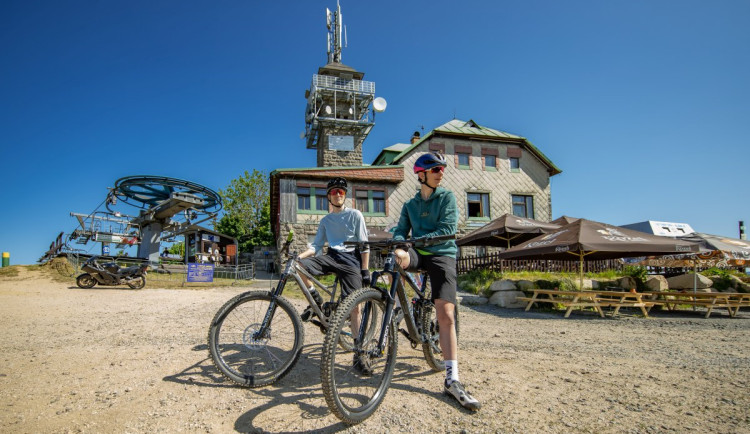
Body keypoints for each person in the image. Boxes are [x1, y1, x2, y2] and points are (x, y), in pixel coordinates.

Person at [392, 151, 481, 411]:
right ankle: (394, 307)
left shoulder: (447, 197)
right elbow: (400, 229)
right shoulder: (410, 205)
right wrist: (400, 245)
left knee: (446, 313)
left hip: (442, 253)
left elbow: (445, 230)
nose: (441, 173)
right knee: (394, 261)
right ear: (421, 174)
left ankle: (452, 379)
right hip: (419, 252)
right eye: (435, 169)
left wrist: (412, 242)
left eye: (442, 169)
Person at [296, 177, 372, 373]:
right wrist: (297, 257)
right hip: (332, 256)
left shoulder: (355, 215)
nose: (338, 194)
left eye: (341, 192)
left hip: (351, 260)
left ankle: (359, 351)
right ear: (328, 196)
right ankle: (316, 300)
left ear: (345, 195)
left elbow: (364, 243)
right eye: (334, 192)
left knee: (355, 307)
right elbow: (316, 246)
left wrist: (364, 270)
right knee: (299, 267)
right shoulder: (326, 220)